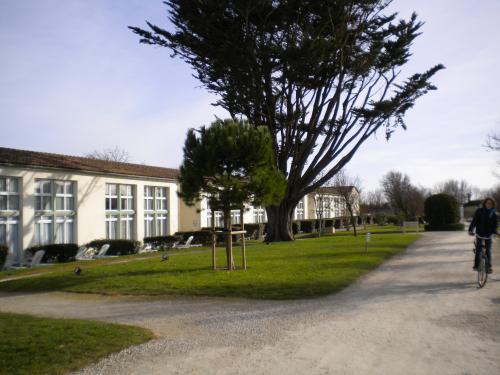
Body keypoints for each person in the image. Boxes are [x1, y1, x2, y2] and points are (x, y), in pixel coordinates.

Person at [468, 197, 498, 273]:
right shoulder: (479, 211)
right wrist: (471, 230)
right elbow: (474, 221)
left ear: (493, 205)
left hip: (489, 235)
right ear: (485, 203)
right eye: (487, 203)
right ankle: (476, 265)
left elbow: (495, 225)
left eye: (490, 203)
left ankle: (489, 267)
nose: (489, 205)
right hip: (479, 233)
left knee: (488, 250)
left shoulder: (494, 214)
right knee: (478, 250)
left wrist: (496, 232)